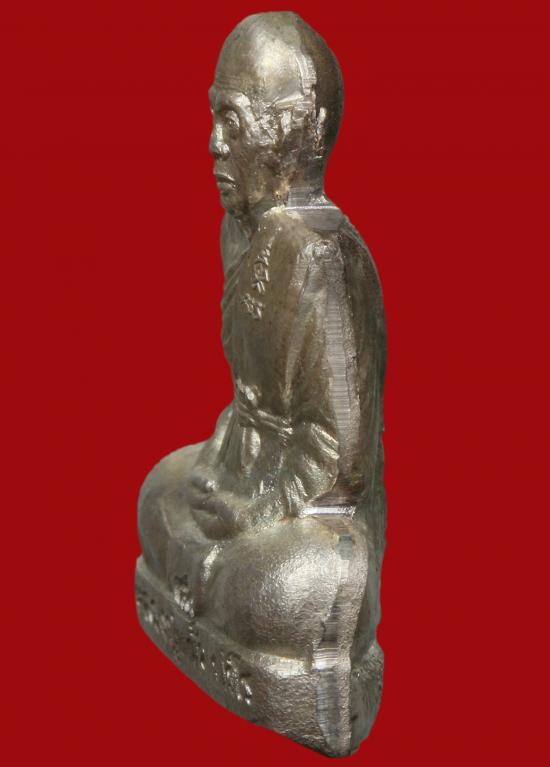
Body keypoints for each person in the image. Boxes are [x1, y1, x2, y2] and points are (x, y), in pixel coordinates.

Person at [137, 13, 386, 754]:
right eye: (214, 118)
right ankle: (217, 579)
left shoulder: (323, 256)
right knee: (158, 492)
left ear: (292, 134)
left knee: (296, 582)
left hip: (309, 521)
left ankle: (290, 652)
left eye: (233, 122)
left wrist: (254, 509)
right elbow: (248, 404)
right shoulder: (240, 230)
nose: (215, 143)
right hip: (246, 478)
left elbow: (338, 459)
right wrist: (222, 470)